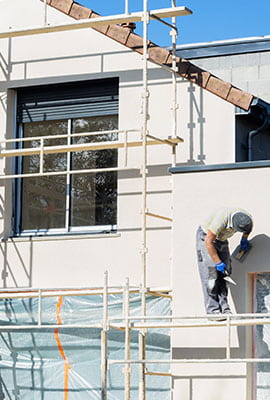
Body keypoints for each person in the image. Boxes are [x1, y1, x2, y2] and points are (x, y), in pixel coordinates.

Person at [196, 207, 253, 317]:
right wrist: (217, 262)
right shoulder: (221, 220)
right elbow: (208, 242)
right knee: (211, 273)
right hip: (205, 238)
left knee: (225, 273)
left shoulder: (247, 220)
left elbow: (248, 229)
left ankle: (224, 307)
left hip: (221, 239)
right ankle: (213, 310)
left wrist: (244, 239)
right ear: (232, 223)